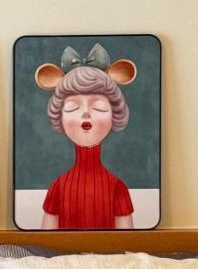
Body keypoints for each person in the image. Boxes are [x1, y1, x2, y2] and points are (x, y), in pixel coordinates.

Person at [35, 44, 137, 230]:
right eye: (73, 107)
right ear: (60, 117)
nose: (85, 113)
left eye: (98, 107)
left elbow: (127, 243)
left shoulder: (117, 187)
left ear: (114, 115)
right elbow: (45, 241)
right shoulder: (58, 187)